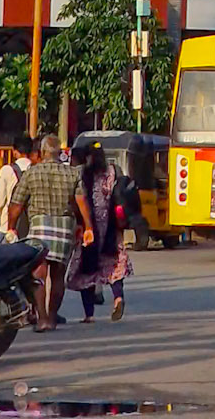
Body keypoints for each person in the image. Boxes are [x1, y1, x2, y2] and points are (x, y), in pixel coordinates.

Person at [9, 135, 92, 331]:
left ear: (42, 152)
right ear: (60, 153)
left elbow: (17, 203)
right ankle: (53, 317)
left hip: (39, 224)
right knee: (57, 275)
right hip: (64, 226)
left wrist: (11, 226)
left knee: (38, 273)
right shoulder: (72, 174)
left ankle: (42, 318)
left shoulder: (32, 172)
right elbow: (81, 202)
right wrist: (87, 226)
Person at [66, 138, 131, 323]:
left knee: (87, 269)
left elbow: (78, 200)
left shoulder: (82, 174)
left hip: (90, 227)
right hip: (111, 226)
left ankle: (89, 314)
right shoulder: (113, 171)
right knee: (114, 265)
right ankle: (118, 297)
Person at [0, 138, 35, 238]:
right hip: (31, 227)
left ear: (15, 152)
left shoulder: (6, 170)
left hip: (8, 227)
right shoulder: (36, 170)